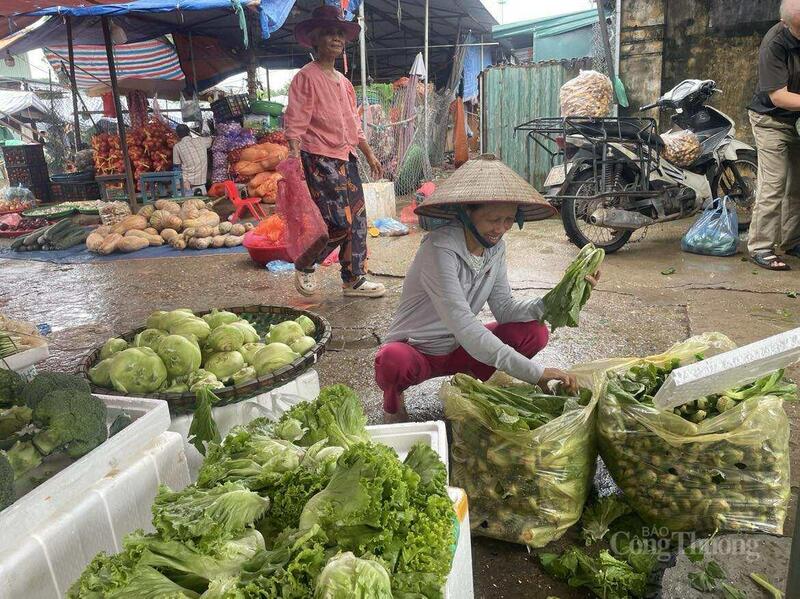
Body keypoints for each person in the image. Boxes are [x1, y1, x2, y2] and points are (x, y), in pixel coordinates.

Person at [375, 155, 601, 423]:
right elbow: (466, 326)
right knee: (392, 359)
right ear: (467, 213)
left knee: (533, 332)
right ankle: (394, 401)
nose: (501, 229)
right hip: (418, 350)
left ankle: (469, 382)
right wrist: (535, 373)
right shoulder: (439, 249)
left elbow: (504, 308)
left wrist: (561, 297)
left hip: (461, 348)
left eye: (508, 220)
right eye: (493, 219)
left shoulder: (496, 249)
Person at [283, 5, 386, 298]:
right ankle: (306, 263)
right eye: (329, 33)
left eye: (339, 34)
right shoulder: (306, 76)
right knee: (337, 222)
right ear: (315, 41)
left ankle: (354, 279)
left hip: (346, 156)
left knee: (357, 219)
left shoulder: (343, 82)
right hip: (318, 158)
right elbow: (296, 119)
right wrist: (293, 157)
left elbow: (353, 123)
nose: (336, 39)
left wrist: (368, 154)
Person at [747, 0, 800, 270]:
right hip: (771, 120)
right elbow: (778, 97)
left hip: (797, 120)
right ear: (785, 24)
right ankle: (760, 245)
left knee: (797, 185)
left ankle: (792, 240)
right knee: (775, 184)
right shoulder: (774, 44)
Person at [172, 123, 212, 196]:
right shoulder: (201, 140)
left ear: (177, 135)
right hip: (201, 184)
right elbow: (210, 140)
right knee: (202, 205)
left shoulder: (177, 147)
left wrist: (179, 183)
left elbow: (176, 166)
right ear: (189, 132)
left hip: (186, 184)